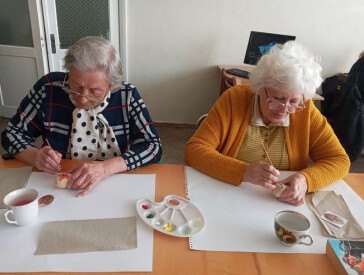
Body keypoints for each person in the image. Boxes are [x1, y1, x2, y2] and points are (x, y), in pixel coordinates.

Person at [185, 41, 350, 206]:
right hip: (227, 196)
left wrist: (305, 180)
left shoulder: (306, 112)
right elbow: (195, 150)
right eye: (277, 99)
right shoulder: (233, 100)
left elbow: (339, 160)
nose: (284, 109)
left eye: (293, 101)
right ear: (260, 88)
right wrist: (243, 172)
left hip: (278, 204)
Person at [1, 36, 162, 196]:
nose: (83, 98)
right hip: (57, 183)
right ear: (69, 71)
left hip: (114, 181)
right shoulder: (48, 88)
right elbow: (12, 133)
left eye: (94, 91)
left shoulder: (126, 95)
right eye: (76, 86)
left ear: (111, 85)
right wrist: (34, 155)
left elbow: (153, 145)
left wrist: (105, 168)